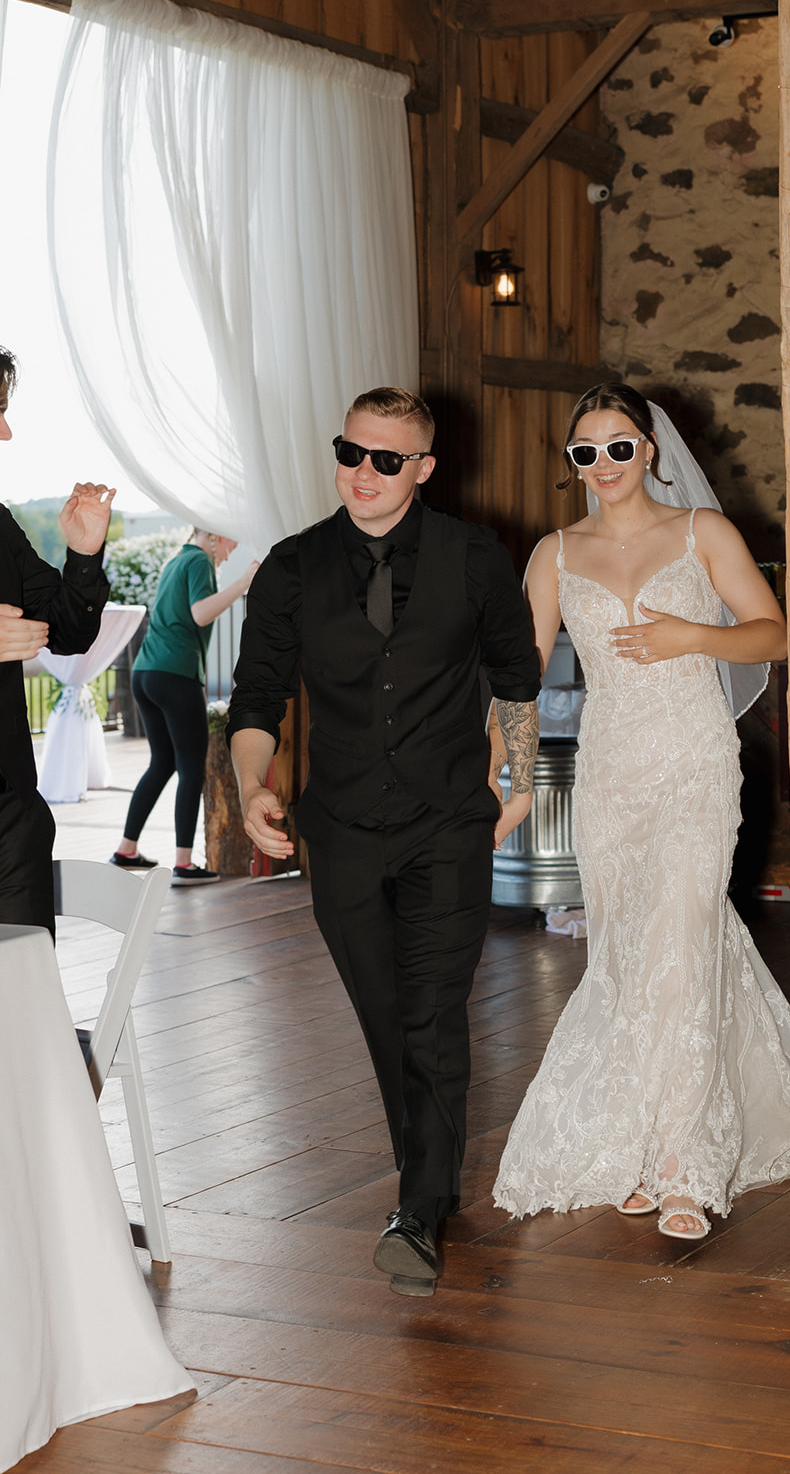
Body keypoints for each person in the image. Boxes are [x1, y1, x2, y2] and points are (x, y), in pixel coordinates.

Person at [228, 386, 540, 1296]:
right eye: (350, 452)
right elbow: (256, 697)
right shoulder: (291, 567)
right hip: (343, 829)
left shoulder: (476, 556)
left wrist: (517, 780)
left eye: (385, 459)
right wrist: (254, 782)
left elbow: (515, 680)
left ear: (423, 468)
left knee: (433, 1012)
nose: (362, 472)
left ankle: (417, 1206)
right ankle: (428, 1180)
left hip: (449, 822)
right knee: (381, 1014)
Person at [493, 383, 790, 1241]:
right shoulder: (553, 552)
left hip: (696, 762)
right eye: (584, 452)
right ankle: (636, 1141)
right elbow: (519, 676)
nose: (603, 465)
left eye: (618, 446)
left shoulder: (702, 534)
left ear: (650, 451)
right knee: (631, 952)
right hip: (612, 771)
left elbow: (773, 633)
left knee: (681, 936)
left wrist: (691, 637)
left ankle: (682, 1169)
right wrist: (514, 780)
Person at [0, 345, 115, 932]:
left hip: (10, 823)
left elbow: (67, 632)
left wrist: (84, 553)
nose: (6, 431)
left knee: (26, 999)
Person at [112, 530, 257, 883]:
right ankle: (184, 863)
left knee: (162, 763)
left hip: (145, 672)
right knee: (192, 768)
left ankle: (126, 849)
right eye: (230, 538)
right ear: (212, 535)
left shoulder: (176, 560)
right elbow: (201, 614)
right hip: (176, 675)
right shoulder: (199, 560)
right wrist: (244, 582)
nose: (234, 545)